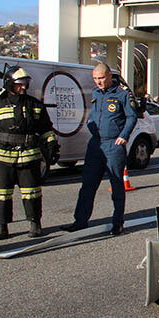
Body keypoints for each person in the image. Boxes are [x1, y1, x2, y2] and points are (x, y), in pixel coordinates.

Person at [0, 66, 59, 239]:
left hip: (28, 155)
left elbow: (45, 128)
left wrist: (52, 147)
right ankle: (1, 227)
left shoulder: (34, 104)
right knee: (1, 193)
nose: (23, 88)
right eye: (19, 84)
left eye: (25, 84)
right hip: (1, 156)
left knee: (32, 192)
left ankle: (35, 223)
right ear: (9, 84)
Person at [65, 63, 138, 235]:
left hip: (113, 144)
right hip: (96, 144)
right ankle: (80, 221)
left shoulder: (122, 94)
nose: (98, 82)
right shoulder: (96, 93)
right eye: (95, 79)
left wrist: (124, 135)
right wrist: (90, 124)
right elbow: (92, 115)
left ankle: (117, 222)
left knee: (116, 185)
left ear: (109, 76)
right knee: (88, 184)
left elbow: (131, 116)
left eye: (101, 78)